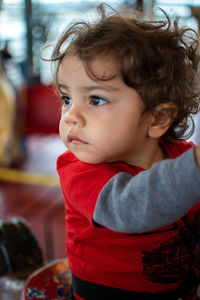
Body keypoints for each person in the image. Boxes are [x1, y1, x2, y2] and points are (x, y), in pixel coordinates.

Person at [49, 4, 200, 300]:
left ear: (157, 119)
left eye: (95, 99)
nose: (70, 116)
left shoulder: (182, 158)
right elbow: (129, 208)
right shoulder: (79, 170)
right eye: (67, 98)